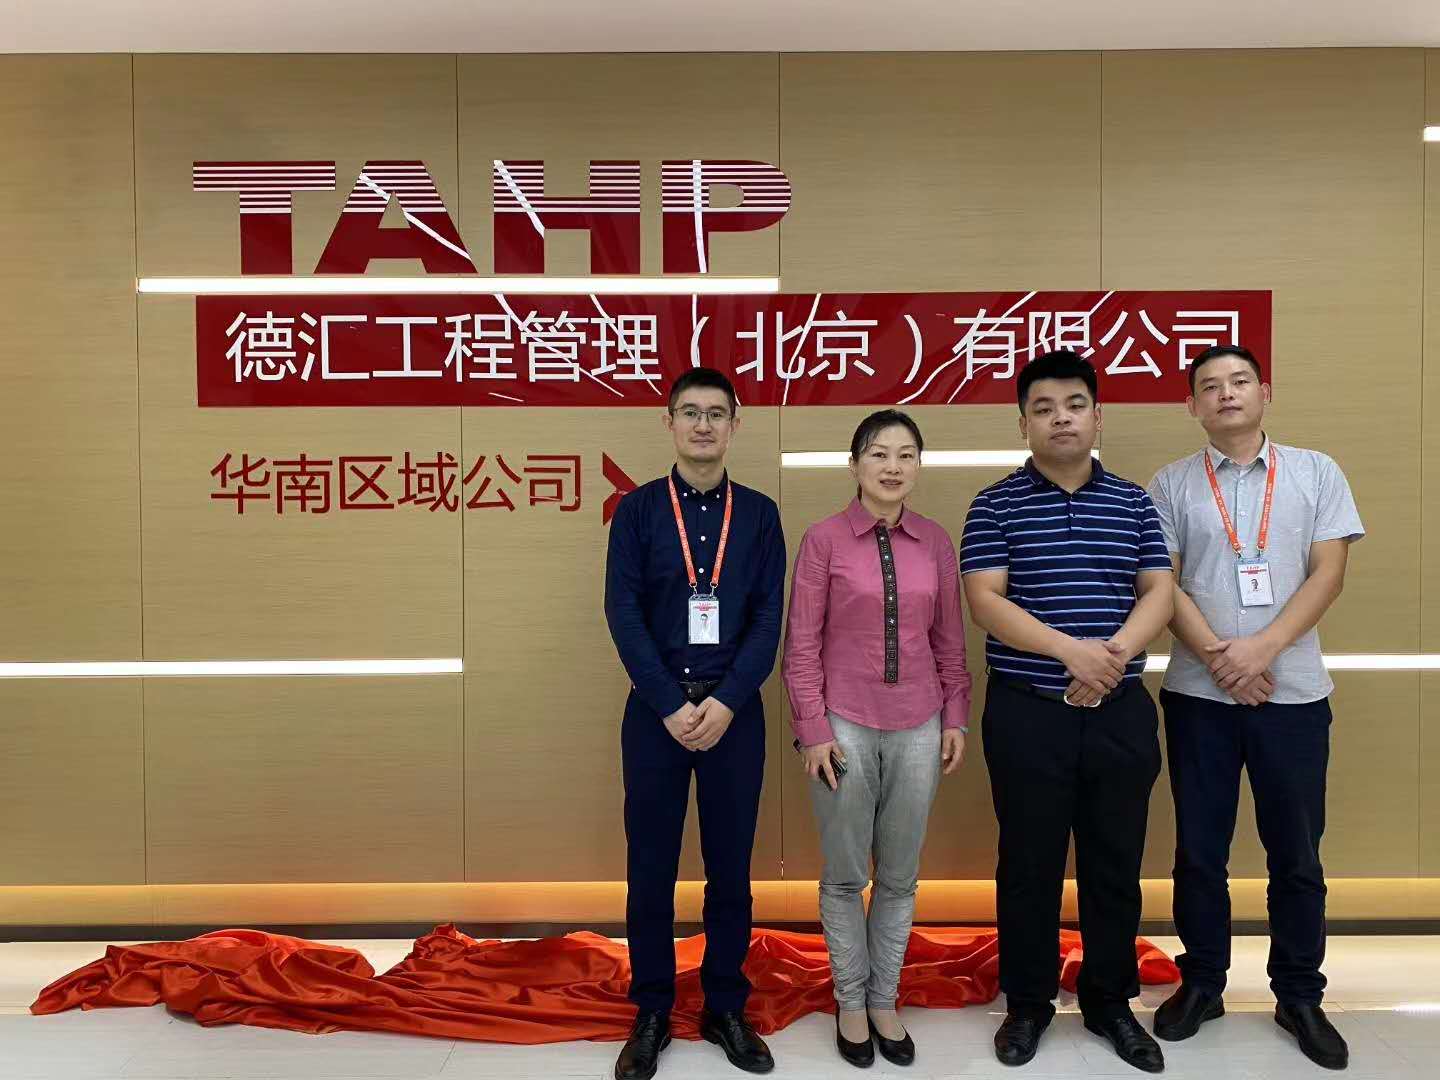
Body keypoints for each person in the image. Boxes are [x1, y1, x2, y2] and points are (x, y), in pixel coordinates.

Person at [1147, 345, 1363, 1071]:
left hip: (1293, 694)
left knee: (1296, 853)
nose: (1227, 394)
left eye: (1239, 381)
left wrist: (1261, 650)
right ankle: (1203, 982)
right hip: (1199, 696)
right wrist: (1221, 658)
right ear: (1192, 405)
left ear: (1265, 391)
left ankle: (1299, 993)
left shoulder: (1316, 471)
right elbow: (1163, 584)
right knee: (1199, 852)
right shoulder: (1170, 484)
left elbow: (1328, 572)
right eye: (1210, 386)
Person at [959, 350, 1174, 1073]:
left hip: (1120, 711)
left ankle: (1111, 1001)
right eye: (1044, 408)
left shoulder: (1135, 502)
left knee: (1116, 862)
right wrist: (1069, 654)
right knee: (1029, 863)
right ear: (1023, 422)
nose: (1060, 418)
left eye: (1074, 405)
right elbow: (985, 599)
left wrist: (1110, 658)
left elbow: (1159, 591)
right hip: (1029, 714)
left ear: (1097, 417)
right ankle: (1027, 1003)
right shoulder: (994, 503)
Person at [604, 368, 786, 1080]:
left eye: (716, 413)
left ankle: (724, 1006)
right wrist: (670, 704)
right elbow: (623, 613)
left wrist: (729, 700)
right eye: (690, 412)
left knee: (730, 870)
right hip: (656, 713)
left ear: (735, 424)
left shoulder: (761, 515)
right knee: (649, 869)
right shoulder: (638, 511)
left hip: (733, 714)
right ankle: (651, 1009)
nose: (703, 425)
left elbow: (768, 618)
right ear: (669, 423)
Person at [782, 409, 971, 1069]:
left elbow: (950, 641)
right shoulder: (824, 540)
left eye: (906, 455)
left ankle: (884, 998)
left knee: (898, 876)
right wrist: (812, 729)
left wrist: (955, 717)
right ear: (855, 464)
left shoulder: (936, 542)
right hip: (843, 726)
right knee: (844, 877)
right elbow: (801, 645)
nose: (893, 466)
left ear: (918, 465)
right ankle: (851, 1002)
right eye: (878, 453)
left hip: (919, 724)